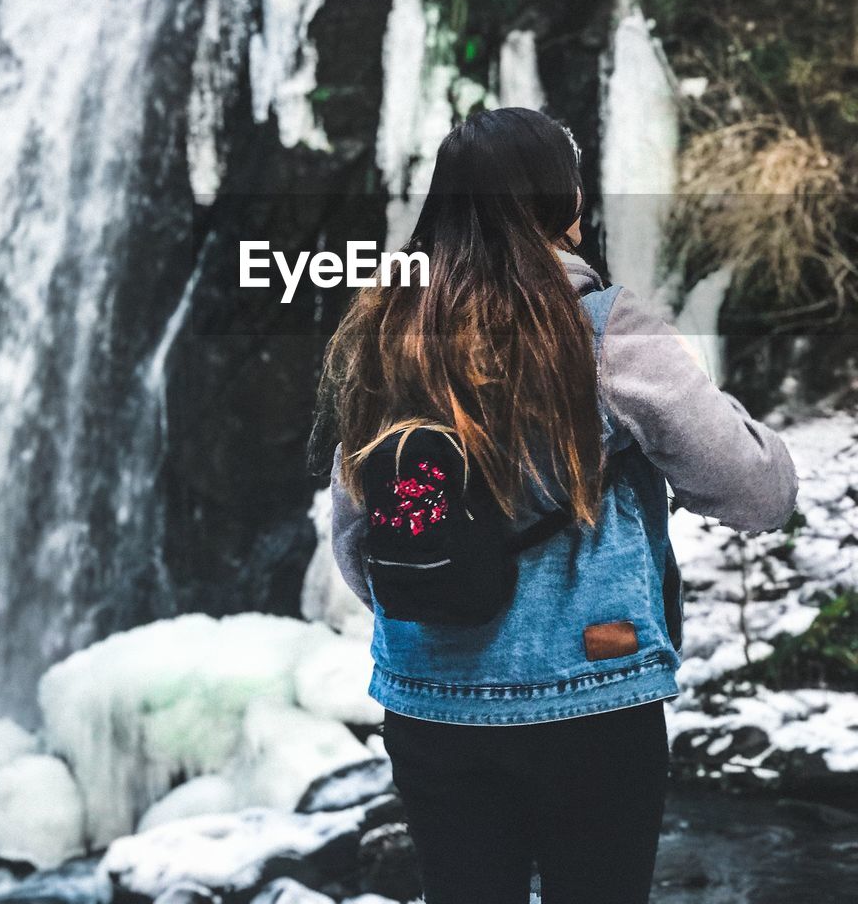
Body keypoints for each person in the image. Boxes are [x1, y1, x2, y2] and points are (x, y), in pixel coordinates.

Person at [312, 107, 798, 904]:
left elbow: (356, 535)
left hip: (429, 703)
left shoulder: (384, 329)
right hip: (591, 692)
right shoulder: (606, 331)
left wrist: (440, 609)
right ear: (563, 205)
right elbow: (757, 492)